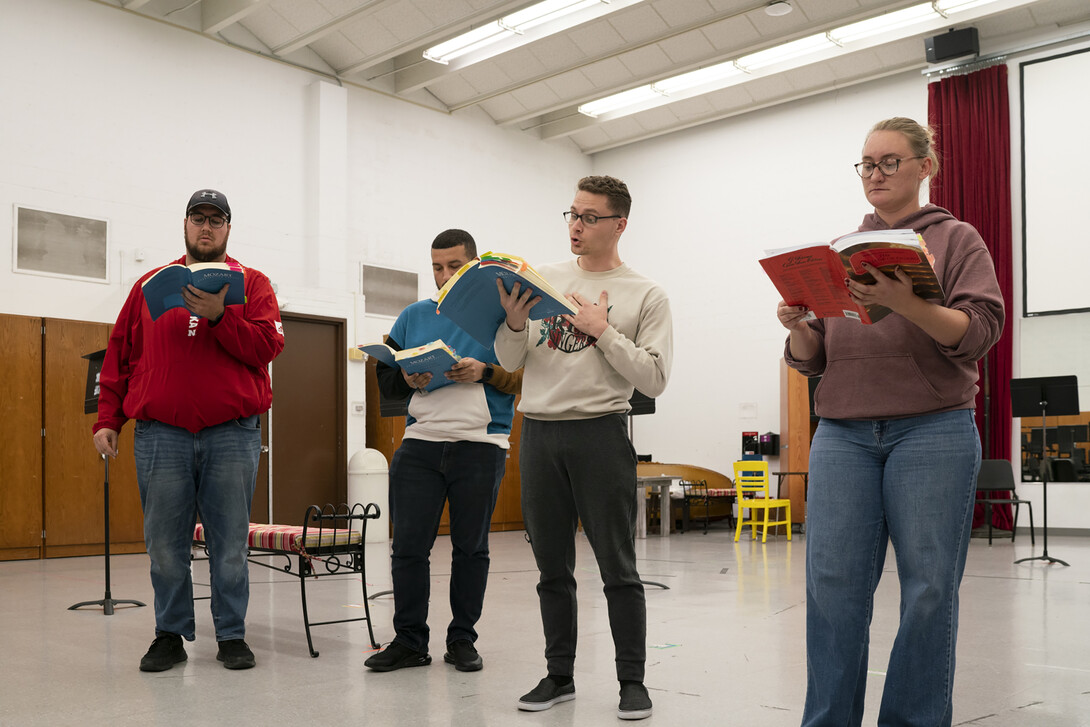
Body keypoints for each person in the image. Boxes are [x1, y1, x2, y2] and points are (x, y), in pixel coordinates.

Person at [777, 118, 1004, 726]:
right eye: (866, 164)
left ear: (924, 167)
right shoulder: (841, 249)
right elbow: (813, 358)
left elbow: (978, 333)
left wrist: (906, 302)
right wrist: (798, 324)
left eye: (889, 162)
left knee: (929, 590)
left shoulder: (957, 240)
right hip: (844, 433)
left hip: (932, 430)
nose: (875, 175)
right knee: (831, 590)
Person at [495, 176, 672, 721]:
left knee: (618, 566)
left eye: (590, 217)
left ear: (619, 224)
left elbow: (655, 377)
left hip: (600, 432)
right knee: (552, 567)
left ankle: (631, 681)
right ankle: (559, 674)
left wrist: (603, 331)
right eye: (572, 214)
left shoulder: (645, 293)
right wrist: (515, 321)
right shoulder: (543, 279)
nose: (576, 225)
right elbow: (508, 360)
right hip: (540, 433)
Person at [92, 189, 284, 672]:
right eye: (198, 218)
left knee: (229, 541)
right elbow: (119, 356)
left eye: (215, 220)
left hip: (232, 433)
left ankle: (232, 635)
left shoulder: (253, 283)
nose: (206, 227)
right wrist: (108, 419)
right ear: (184, 225)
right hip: (161, 434)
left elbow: (266, 348)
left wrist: (220, 316)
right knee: (163, 544)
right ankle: (170, 634)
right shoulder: (150, 284)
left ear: (227, 229)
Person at [364, 229, 523, 674]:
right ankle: (410, 641)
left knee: (470, 549)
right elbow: (387, 380)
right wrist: (407, 378)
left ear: (473, 265)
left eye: (454, 266)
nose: (444, 274)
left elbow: (521, 379)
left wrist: (485, 370)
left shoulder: (502, 316)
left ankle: (462, 640)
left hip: (481, 443)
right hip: (420, 443)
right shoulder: (413, 315)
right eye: (437, 267)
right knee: (409, 549)